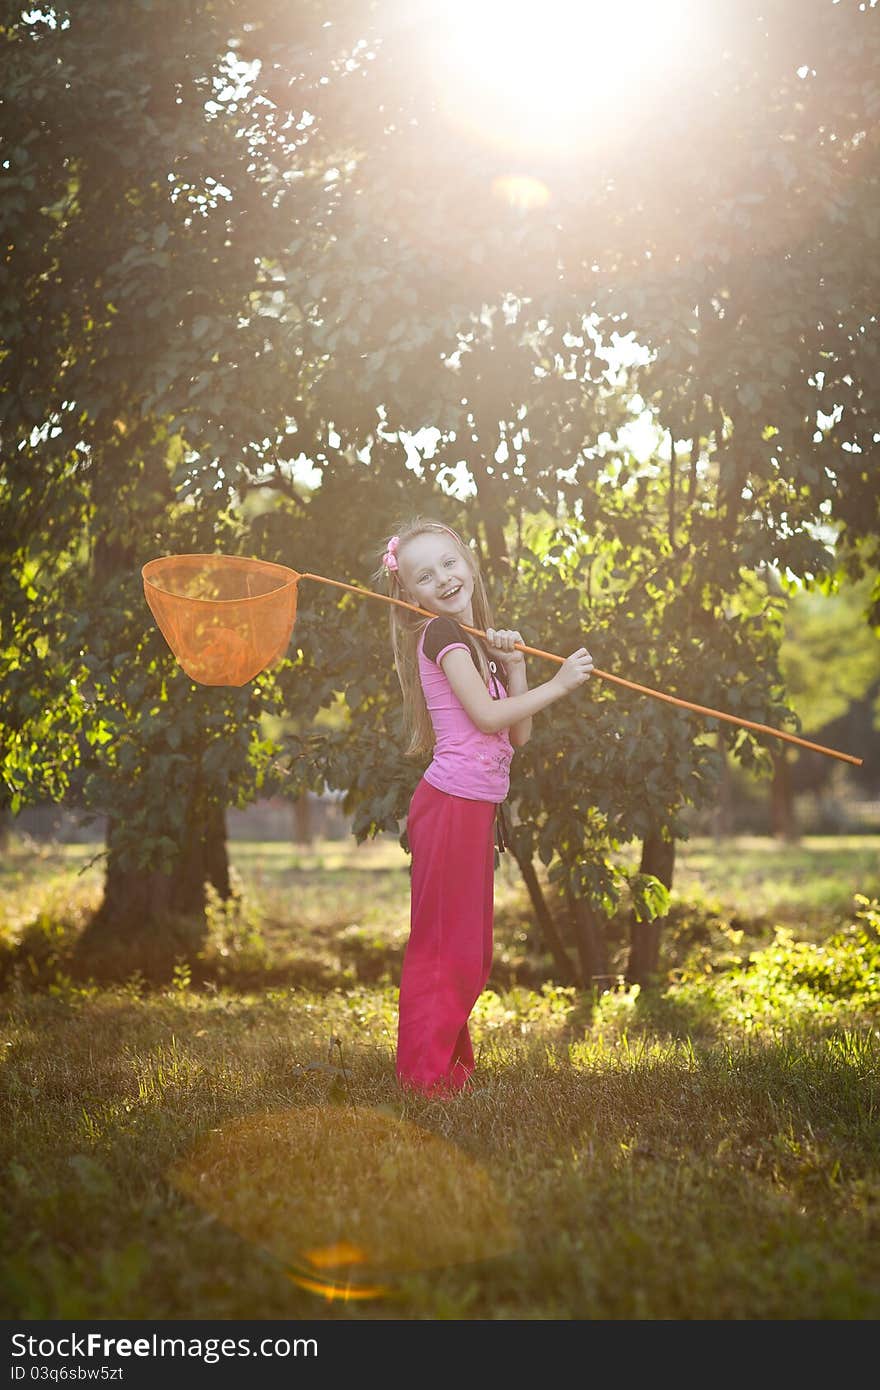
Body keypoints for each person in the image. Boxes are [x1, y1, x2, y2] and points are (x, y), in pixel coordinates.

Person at [375, 516, 593, 1098]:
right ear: (410, 593)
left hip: (472, 810)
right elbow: (488, 719)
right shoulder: (441, 636)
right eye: (425, 574)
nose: (443, 578)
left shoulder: (473, 641)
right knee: (447, 948)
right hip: (448, 807)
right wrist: (562, 683)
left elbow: (517, 736)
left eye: (449, 563)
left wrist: (518, 666)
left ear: (467, 563)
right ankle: (423, 1079)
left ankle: (447, 1068)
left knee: (468, 949)